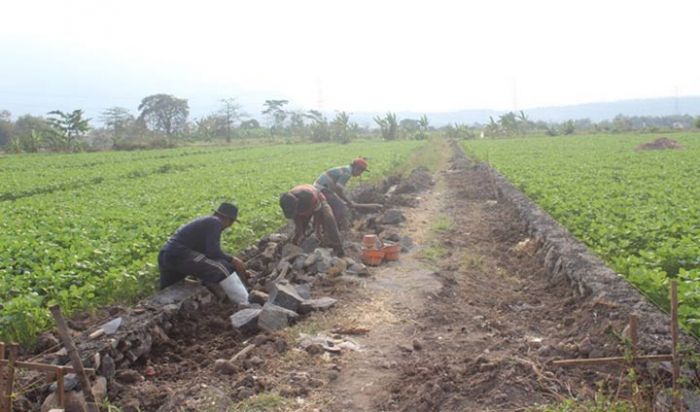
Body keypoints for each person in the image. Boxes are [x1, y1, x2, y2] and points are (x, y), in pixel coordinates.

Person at [158, 202, 249, 303]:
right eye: (231, 222)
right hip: (180, 255)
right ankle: (245, 301)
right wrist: (233, 260)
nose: (229, 226)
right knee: (222, 269)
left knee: (168, 292)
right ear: (227, 219)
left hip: (166, 255)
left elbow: (209, 253)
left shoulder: (207, 222)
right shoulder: (215, 222)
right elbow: (213, 252)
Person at [279, 184, 344, 256]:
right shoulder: (286, 202)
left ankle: (337, 248)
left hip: (319, 200)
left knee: (329, 220)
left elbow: (318, 212)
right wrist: (301, 232)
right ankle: (295, 246)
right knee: (299, 232)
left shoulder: (310, 196)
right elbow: (296, 218)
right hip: (302, 206)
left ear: (297, 202)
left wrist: (317, 230)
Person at [314, 158, 369, 230]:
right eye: (360, 172)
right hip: (322, 189)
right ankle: (332, 230)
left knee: (336, 205)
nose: (359, 175)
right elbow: (338, 190)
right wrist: (348, 201)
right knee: (340, 207)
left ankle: (327, 227)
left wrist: (344, 200)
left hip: (320, 188)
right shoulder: (347, 173)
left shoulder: (345, 169)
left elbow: (336, 190)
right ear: (356, 168)